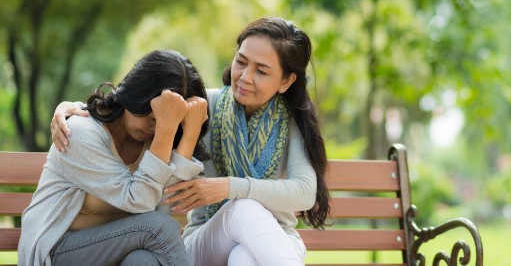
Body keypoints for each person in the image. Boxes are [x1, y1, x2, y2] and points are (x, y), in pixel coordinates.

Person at [51, 17, 331, 266]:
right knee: (243, 209)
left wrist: (228, 187)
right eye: (241, 62)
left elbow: (305, 192)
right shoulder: (204, 106)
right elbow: (135, 101)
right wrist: (71, 107)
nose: (245, 77)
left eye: (262, 71)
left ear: (286, 81)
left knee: (243, 258)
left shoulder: (291, 122)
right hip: (206, 240)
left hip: (278, 241)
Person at [22, 49, 210, 266]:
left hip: (118, 248)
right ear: (135, 95)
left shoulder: (157, 140)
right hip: (57, 251)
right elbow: (141, 203)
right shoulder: (79, 132)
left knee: (143, 261)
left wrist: (189, 133)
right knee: (160, 227)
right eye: (152, 118)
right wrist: (167, 127)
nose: (155, 128)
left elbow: (165, 205)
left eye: (168, 122)